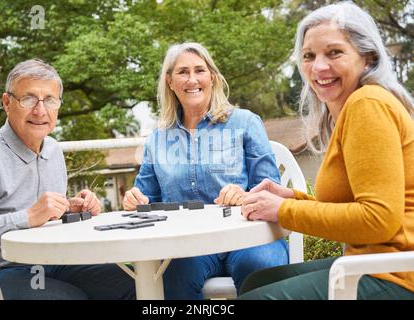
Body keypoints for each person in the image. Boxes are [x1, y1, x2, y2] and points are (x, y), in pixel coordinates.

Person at [239, 1, 414, 300]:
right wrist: (294, 199)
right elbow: (354, 205)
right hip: (369, 261)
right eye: (309, 56)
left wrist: (284, 211)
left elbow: (378, 219)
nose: (318, 67)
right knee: (256, 283)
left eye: (334, 52)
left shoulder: (367, 105)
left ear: (368, 58)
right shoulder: (352, 108)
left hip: (397, 274)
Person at [122, 42, 288, 299]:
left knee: (259, 267)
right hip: (188, 244)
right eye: (182, 72)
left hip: (246, 235)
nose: (192, 79)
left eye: (199, 70)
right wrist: (134, 198)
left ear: (212, 76)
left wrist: (244, 196)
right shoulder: (157, 138)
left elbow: (271, 190)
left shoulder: (245, 122)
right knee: (169, 278)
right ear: (170, 81)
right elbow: (146, 198)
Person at [0, 59, 135, 300]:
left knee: (133, 283)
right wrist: (26, 217)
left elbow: (41, 216)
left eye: (50, 100)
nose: (40, 111)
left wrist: (68, 208)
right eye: (28, 99)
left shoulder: (53, 150)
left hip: (52, 261)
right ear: (7, 103)